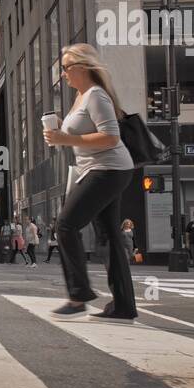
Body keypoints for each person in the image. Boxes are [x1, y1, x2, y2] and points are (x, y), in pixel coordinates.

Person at [44, 43, 136, 322]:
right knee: (109, 236)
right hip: (98, 170)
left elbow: (111, 137)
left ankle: (78, 296)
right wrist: (61, 129)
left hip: (108, 169)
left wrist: (65, 138)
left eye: (66, 68)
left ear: (82, 67)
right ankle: (123, 306)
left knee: (65, 225)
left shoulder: (96, 95)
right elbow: (84, 132)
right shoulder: (81, 96)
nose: (63, 74)